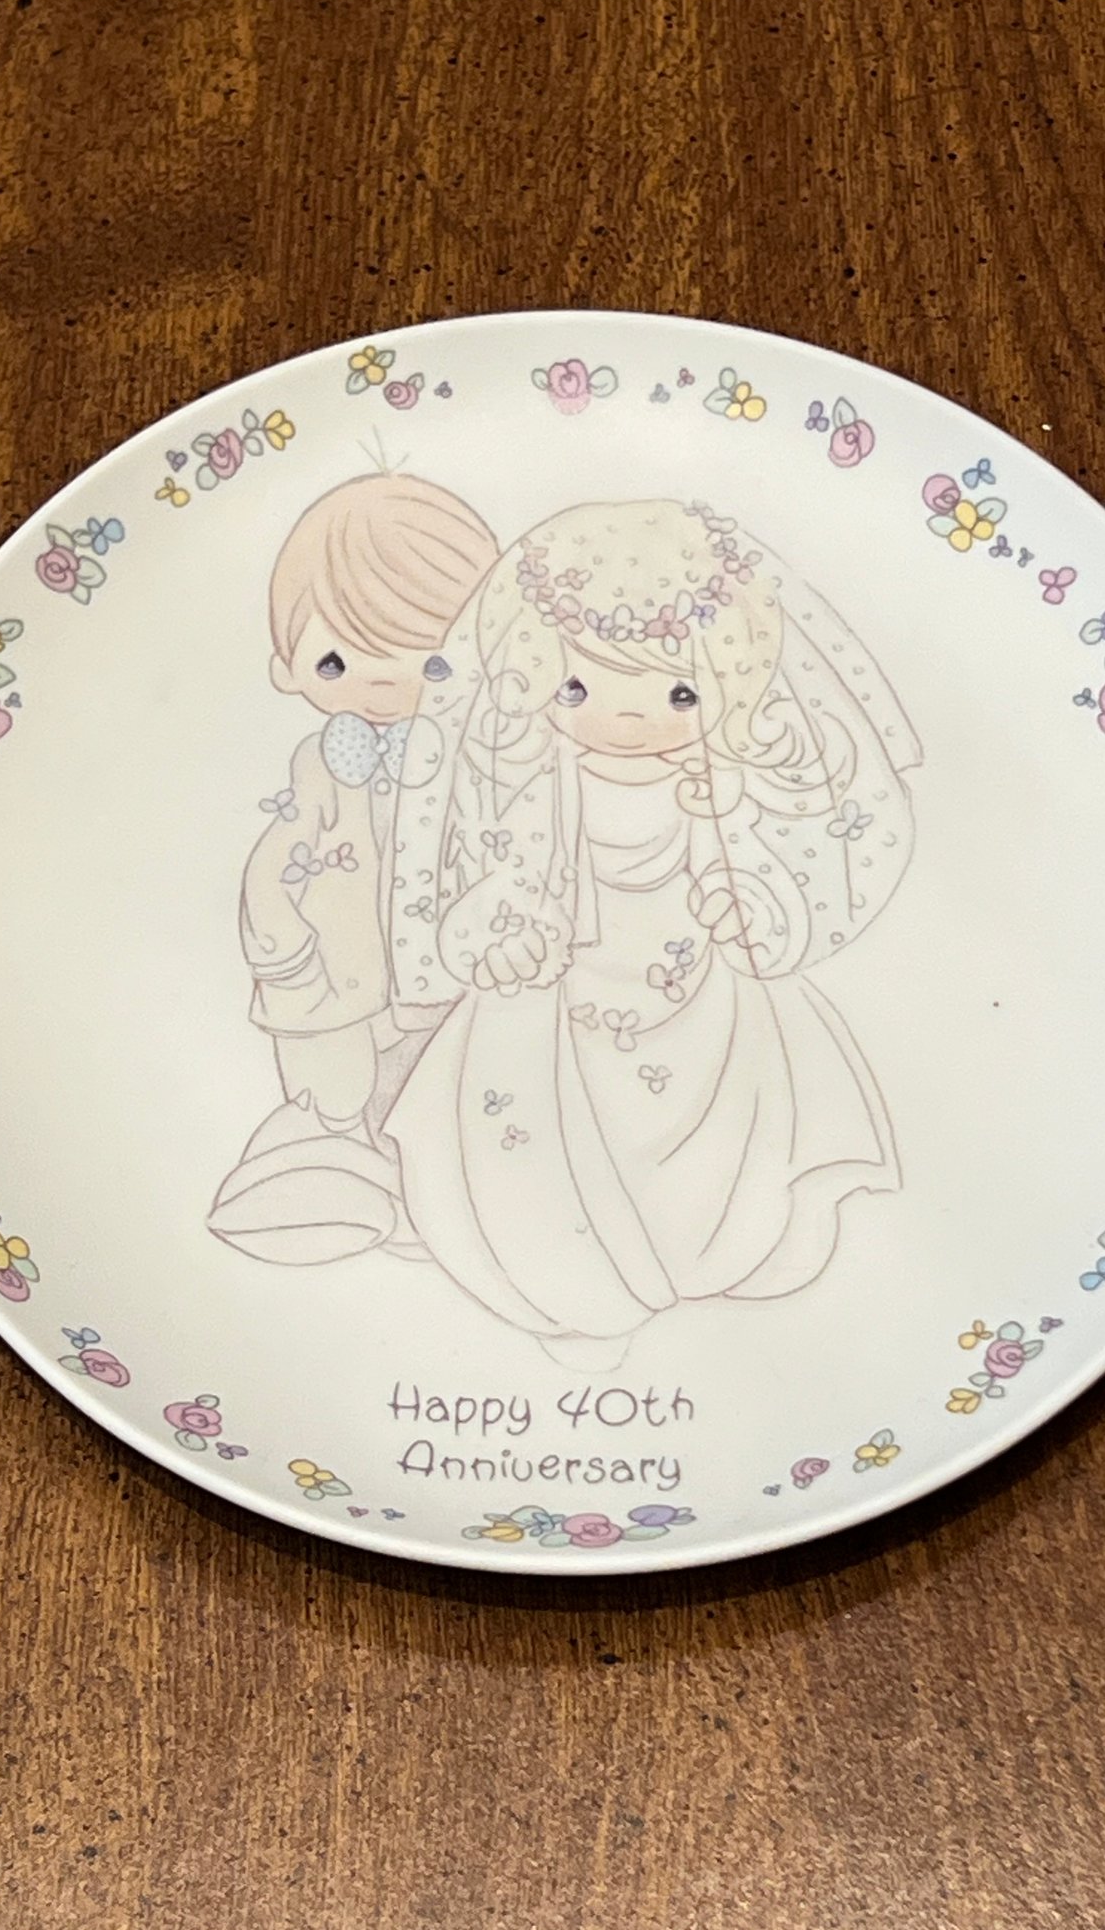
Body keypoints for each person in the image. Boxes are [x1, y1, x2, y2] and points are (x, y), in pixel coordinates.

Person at [383, 497, 923, 1366]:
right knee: (547, 1141)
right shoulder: (529, 784)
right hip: (558, 1005)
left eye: (678, 692)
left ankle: (723, 1253)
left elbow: (769, 873)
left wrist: (755, 906)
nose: (627, 720)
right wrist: (499, 935)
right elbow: (486, 883)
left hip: (704, 997)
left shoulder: (723, 787)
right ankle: (575, 1291)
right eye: (579, 687)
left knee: (731, 1129)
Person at [207, 472, 498, 1263]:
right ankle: (328, 1188)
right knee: (334, 1093)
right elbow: (279, 857)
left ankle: (428, 1208)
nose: (382, 682)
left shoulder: (472, 765)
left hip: (439, 969)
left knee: (432, 1092)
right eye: (337, 663)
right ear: (286, 665)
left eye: (430, 664)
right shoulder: (319, 766)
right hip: (337, 970)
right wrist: (283, 944)